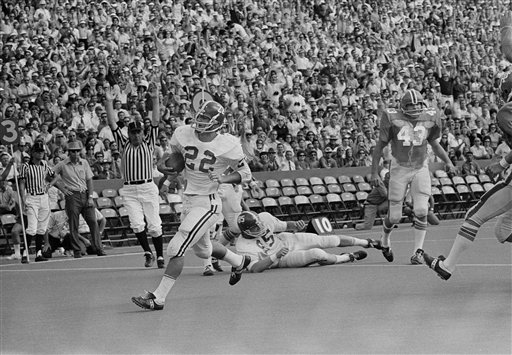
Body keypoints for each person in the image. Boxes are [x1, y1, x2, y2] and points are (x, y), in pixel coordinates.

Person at [131, 101, 253, 311]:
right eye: (200, 116)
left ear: (217, 123)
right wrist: (167, 167)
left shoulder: (229, 144)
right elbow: (178, 158)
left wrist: (223, 179)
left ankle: (158, 298)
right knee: (204, 251)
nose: (200, 121)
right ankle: (239, 261)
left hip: (208, 202)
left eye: (206, 119)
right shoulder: (183, 133)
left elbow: (246, 174)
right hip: (188, 198)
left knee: (176, 247)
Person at [423, 13, 512, 280]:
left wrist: (504, 163)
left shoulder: (506, 112)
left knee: (474, 215)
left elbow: (508, 45)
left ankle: (447, 266)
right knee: (503, 229)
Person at [370, 89, 457, 265]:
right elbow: (379, 147)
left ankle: (418, 251)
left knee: (422, 210)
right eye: (410, 104)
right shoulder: (391, 116)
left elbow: (434, 143)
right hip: (399, 167)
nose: (414, 107)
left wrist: (448, 161)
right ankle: (385, 239)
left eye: (417, 104)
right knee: (394, 217)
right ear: (403, 106)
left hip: (420, 166)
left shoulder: (431, 116)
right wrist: (373, 172)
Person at [105, 83, 165, 268]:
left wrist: (155, 99)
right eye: (133, 132)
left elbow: (155, 121)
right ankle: (148, 252)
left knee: (154, 225)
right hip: (130, 188)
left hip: (147, 186)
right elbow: (112, 124)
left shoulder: (149, 141)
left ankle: (160, 256)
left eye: (139, 131)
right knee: (137, 224)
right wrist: (109, 102)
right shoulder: (123, 143)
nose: (137, 135)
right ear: (129, 133)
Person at [235, 211, 385, 272]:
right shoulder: (243, 246)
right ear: (245, 231)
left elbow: (286, 225)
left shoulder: (265, 218)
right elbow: (254, 268)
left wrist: (296, 224)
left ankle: (367, 242)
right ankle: (347, 257)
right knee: (317, 254)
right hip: (281, 258)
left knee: (328, 240)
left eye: (259, 223)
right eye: (255, 227)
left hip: (287, 239)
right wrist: (275, 256)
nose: (260, 227)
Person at [53, 141, 106, 257]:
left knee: (93, 221)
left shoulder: (85, 162)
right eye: (73, 151)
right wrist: (62, 188)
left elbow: (89, 180)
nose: (75, 153)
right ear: (69, 152)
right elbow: (49, 175)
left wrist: (91, 197)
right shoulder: (62, 164)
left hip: (85, 193)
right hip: (72, 195)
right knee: (73, 224)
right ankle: (77, 249)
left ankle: (98, 247)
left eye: (77, 151)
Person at [18, 141, 58, 263]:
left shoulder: (45, 164)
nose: (40, 154)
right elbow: (22, 183)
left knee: (42, 227)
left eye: (42, 152)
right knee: (32, 227)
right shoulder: (25, 166)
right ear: (33, 153)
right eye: (38, 151)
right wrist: (23, 198)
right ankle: (25, 253)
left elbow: (55, 176)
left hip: (43, 197)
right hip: (32, 197)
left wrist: (49, 185)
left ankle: (38, 253)